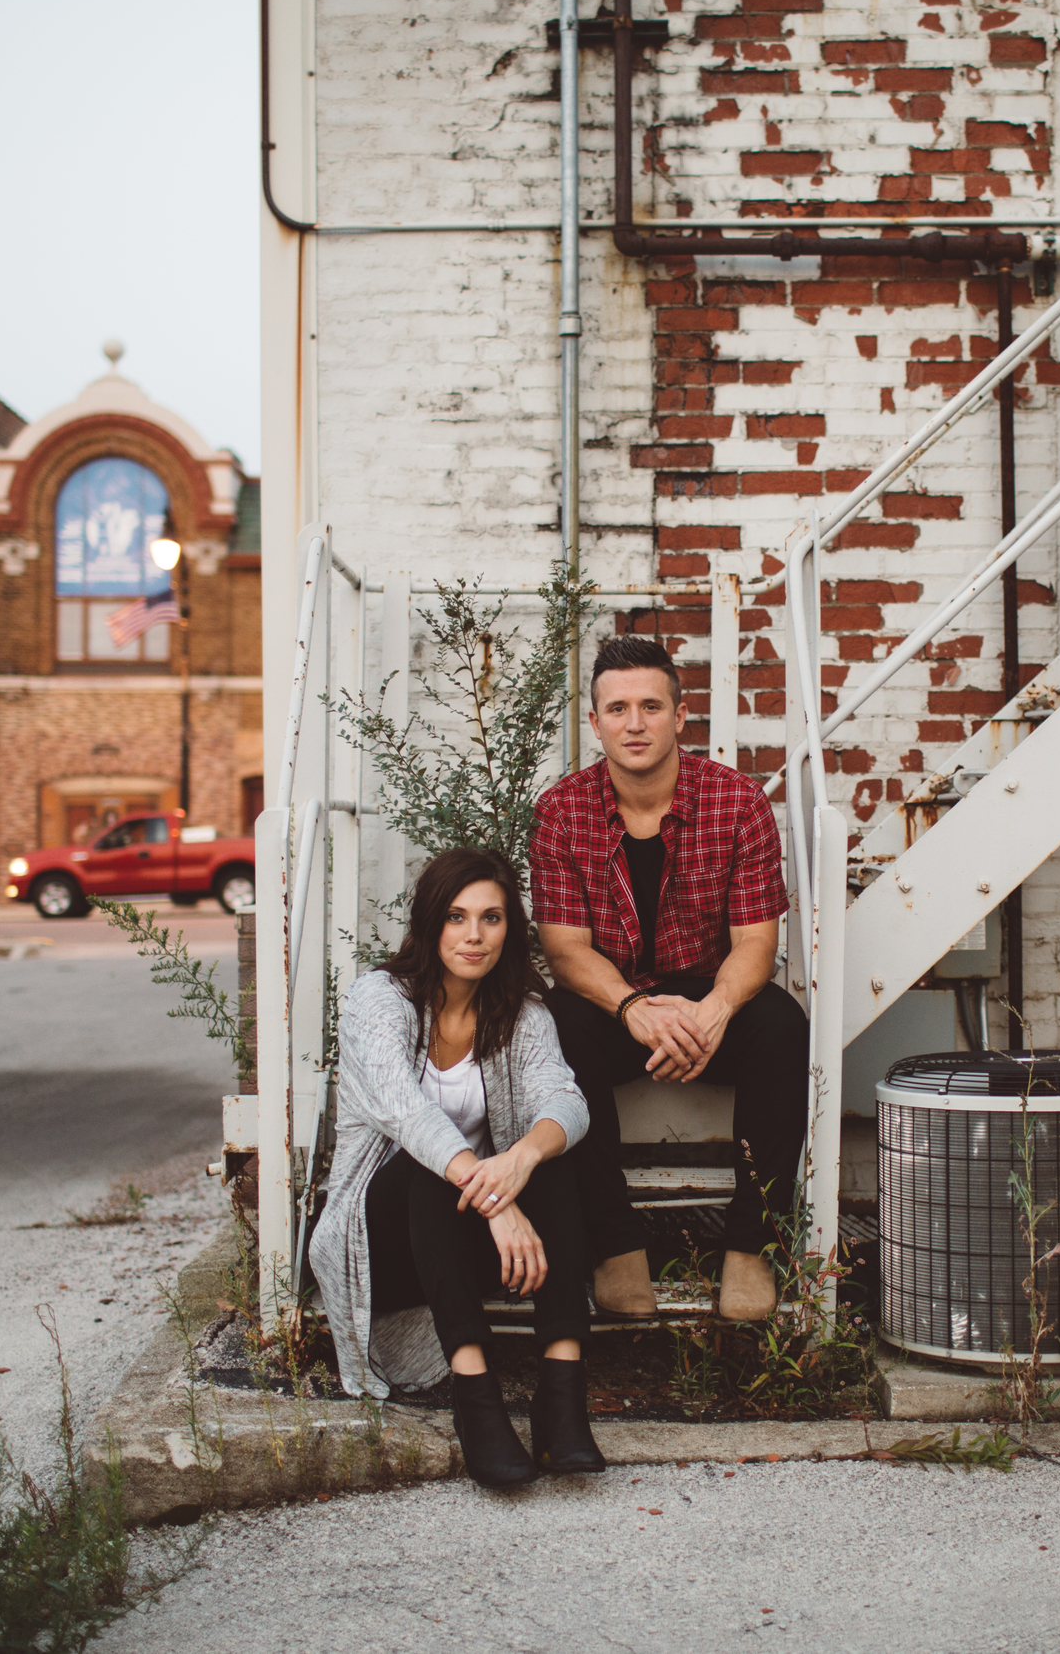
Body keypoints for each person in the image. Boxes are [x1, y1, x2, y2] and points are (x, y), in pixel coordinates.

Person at [307, 846, 605, 1489]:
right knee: (428, 1166)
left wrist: (522, 1158)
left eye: (491, 919)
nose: (473, 935)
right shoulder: (377, 1001)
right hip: (385, 1237)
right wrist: (499, 1198)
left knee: (548, 1157)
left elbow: (566, 1100)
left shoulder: (521, 1014)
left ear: (510, 929)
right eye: (456, 917)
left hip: (464, 1234)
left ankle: (561, 1396)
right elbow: (408, 1115)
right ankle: (477, 1398)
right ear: (429, 923)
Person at [532, 634, 809, 1323]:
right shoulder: (561, 811)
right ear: (594, 723)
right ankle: (615, 1243)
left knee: (781, 1026)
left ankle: (751, 1244)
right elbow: (565, 951)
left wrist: (713, 1009)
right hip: (612, 1001)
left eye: (650, 705)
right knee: (555, 1026)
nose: (634, 722)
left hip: (706, 995)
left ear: (680, 716)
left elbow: (756, 941)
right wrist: (633, 1009)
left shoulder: (737, 802)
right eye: (617, 708)